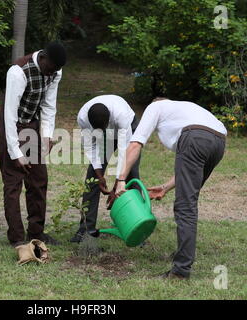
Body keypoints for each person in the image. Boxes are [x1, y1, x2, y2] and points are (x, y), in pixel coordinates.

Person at [115, 98, 227, 280]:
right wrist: (166, 187)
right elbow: (191, 167)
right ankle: (182, 257)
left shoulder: (156, 106)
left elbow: (135, 144)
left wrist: (121, 179)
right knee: (189, 203)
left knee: (185, 207)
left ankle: (180, 271)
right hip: (219, 141)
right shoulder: (186, 108)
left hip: (195, 137)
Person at [0, 42, 67, 247]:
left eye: (54, 71)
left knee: (38, 180)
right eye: (49, 69)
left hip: (32, 125)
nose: (50, 74)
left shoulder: (55, 71)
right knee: (13, 183)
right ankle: (17, 238)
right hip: (12, 125)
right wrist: (15, 151)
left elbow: (48, 104)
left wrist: (46, 136)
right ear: (43, 57)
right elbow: (9, 114)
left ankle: (36, 233)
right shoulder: (18, 72)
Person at [70, 95, 141, 243]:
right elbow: (91, 146)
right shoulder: (83, 118)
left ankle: (138, 228)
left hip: (128, 128)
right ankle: (85, 229)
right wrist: (99, 175)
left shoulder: (121, 116)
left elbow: (124, 153)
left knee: (131, 176)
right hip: (107, 130)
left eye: (103, 128)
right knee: (92, 179)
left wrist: (117, 184)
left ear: (108, 121)